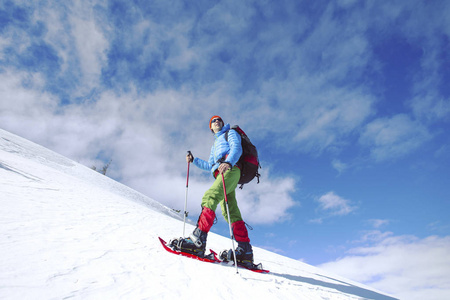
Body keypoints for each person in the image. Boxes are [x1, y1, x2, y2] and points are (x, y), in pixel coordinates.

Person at [174, 115, 253, 265]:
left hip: (230, 170)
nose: (217, 121)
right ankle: (245, 251)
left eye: (219, 120)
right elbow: (210, 165)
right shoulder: (215, 144)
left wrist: (229, 162)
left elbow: (237, 148)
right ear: (211, 127)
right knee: (229, 210)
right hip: (221, 174)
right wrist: (194, 160)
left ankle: (198, 240)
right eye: (213, 121)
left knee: (210, 197)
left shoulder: (230, 133)